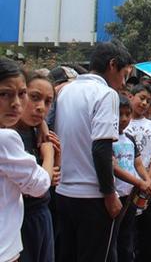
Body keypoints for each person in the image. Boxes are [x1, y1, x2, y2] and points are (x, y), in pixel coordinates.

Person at [55, 41, 133, 262]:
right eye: (124, 75)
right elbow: (101, 148)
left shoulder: (66, 91)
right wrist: (109, 194)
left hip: (64, 192)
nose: (123, 83)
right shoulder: (106, 94)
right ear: (112, 65)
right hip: (93, 196)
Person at [0, 58, 52, 262]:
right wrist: (49, 155)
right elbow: (40, 185)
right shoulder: (7, 138)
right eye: (4, 94)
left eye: (21, 94)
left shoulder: (32, 133)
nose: (16, 103)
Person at [13, 72, 61, 262]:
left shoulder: (38, 133)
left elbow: (53, 179)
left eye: (48, 102)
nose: (41, 107)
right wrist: (48, 155)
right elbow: (35, 188)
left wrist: (56, 157)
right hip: (19, 222)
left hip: (42, 217)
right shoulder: (9, 137)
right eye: (34, 97)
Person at [124, 84, 151, 262]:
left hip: (150, 186)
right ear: (130, 97)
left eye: (148, 101)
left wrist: (148, 180)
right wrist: (139, 181)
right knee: (131, 233)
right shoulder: (123, 123)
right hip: (127, 185)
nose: (144, 103)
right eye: (141, 98)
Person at [112, 95, 151, 262]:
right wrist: (140, 182)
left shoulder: (129, 138)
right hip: (114, 197)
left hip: (130, 196)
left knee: (127, 237)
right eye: (119, 114)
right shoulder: (107, 139)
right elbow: (114, 168)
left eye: (127, 114)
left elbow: (138, 164)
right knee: (114, 238)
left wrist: (147, 180)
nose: (123, 119)